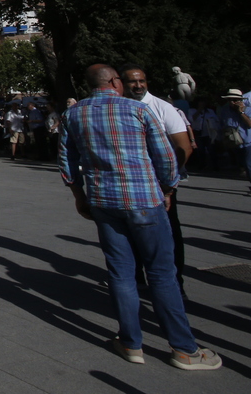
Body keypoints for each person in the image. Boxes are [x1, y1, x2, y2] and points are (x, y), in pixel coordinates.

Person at [60, 64, 220, 371]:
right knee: (161, 273)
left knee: (121, 273)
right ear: (115, 82)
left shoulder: (74, 114)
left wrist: (79, 196)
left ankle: (131, 342)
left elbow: (67, 163)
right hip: (144, 199)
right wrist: (168, 189)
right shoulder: (137, 110)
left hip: (103, 201)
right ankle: (184, 349)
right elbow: (165, 157)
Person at [120, 65, 192, 294]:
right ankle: (136, 278)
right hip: (129, 183)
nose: (138, 85)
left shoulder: (162, 108)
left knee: (169, 233)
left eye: (142, 80)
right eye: (132, 81)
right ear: (122, 83)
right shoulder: (119, 108)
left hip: (160, 184)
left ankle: (175, 282)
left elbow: (184, 147)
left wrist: (168, 184)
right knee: (130, 232)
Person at [217, 90, 251, 192]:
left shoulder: (248, 109)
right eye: (230, 100)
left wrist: (241, 112)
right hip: (234, 142)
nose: (232, 102)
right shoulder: (224, 110)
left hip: (248, 141)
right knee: (243, 165)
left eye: (235, 100)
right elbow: (223, 124)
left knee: (249, 164)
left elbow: (249, 124)